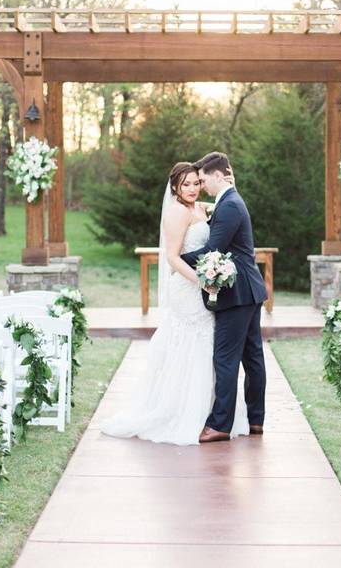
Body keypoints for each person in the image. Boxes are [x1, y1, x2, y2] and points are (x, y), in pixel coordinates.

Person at [100, 161, 248, 445]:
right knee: (190, 344)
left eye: (196, 183)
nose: (192, 189)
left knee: (209, 346)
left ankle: (211, 413)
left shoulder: (201, 208)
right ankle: (180, 412)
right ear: (175, 188)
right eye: (186, 185)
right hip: (186, 287)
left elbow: (227, 202)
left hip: (205, 286)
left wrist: (231, 181)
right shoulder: (176, 212)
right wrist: (201, 280)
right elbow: (172, 257)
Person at [180, 151, 268, 443]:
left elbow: (211, 251)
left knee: (226, 358)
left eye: (203, 180)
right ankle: (256, 420)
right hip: (250, 290)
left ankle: (220, 425)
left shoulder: (230, 205)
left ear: (218, 176)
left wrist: (178, 259)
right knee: (252, 357)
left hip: (237, 293)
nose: (201, 185)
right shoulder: (230, 201)